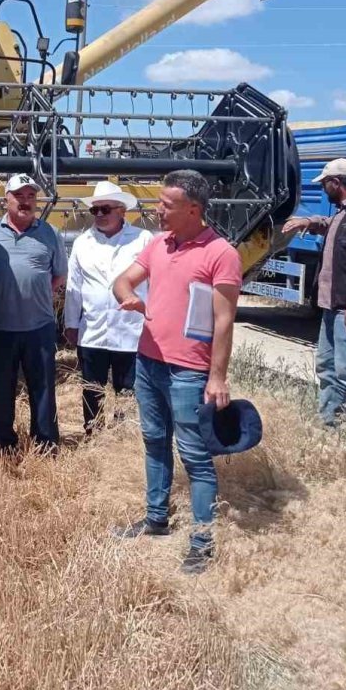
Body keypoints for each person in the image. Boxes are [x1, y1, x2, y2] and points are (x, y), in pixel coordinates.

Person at [112, 169, 243, 575]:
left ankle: (202, 543)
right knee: (154, 441)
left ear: (193, 209)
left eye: (167, 205)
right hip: (148, 361)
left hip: (189, 371)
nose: (158, 210)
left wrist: (217, 376)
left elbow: (224, 321)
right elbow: (123, 280)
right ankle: (156, 519)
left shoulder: (221, 253)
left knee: (195, 456)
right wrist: (129, 297)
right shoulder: (158, 244)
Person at [282, 157, 346, 444]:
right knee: (328, 366)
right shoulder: (344, 212)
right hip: (333, 307)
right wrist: (309, 221)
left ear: (336, 183)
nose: (323, 189)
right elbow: (332, 226)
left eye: (324, 184)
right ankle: (329, 424)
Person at [0, 173, 67, 453]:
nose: (25, 201)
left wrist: (35, 293)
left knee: (43, 388)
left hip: (39, 326)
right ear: (6, 199)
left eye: (31, 196)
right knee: (1, 390)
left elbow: (59, 275)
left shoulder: (49, 233)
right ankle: (4, 443)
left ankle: (45, 443)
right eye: (19, 195)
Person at [64, 181, 154, 435]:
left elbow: (156, 283)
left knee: (128, 389)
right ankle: (93, 435)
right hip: (92, 330)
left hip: (131, 331)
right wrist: (71, 323)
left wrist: (153, 317)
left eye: (106, 209)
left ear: (122, 210)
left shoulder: (143, 239)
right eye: (95, 210)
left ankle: (123, 437)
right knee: (92, 389)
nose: (100, 214)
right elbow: (74, 286)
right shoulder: (82, 242)